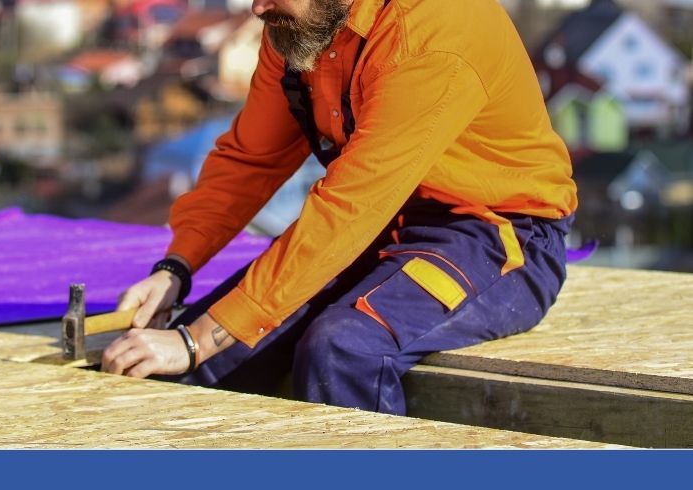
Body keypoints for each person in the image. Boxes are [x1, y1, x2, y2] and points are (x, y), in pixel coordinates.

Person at [102, 0, 578, 416]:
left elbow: (353, 204)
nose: (256, 8)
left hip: (494, 235)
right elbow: (250, 161)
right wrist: (176, 268)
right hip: (382, 226)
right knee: (202, 356)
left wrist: (198, 340)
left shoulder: (432, 34)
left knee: (344, 347)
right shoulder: (299, 29)